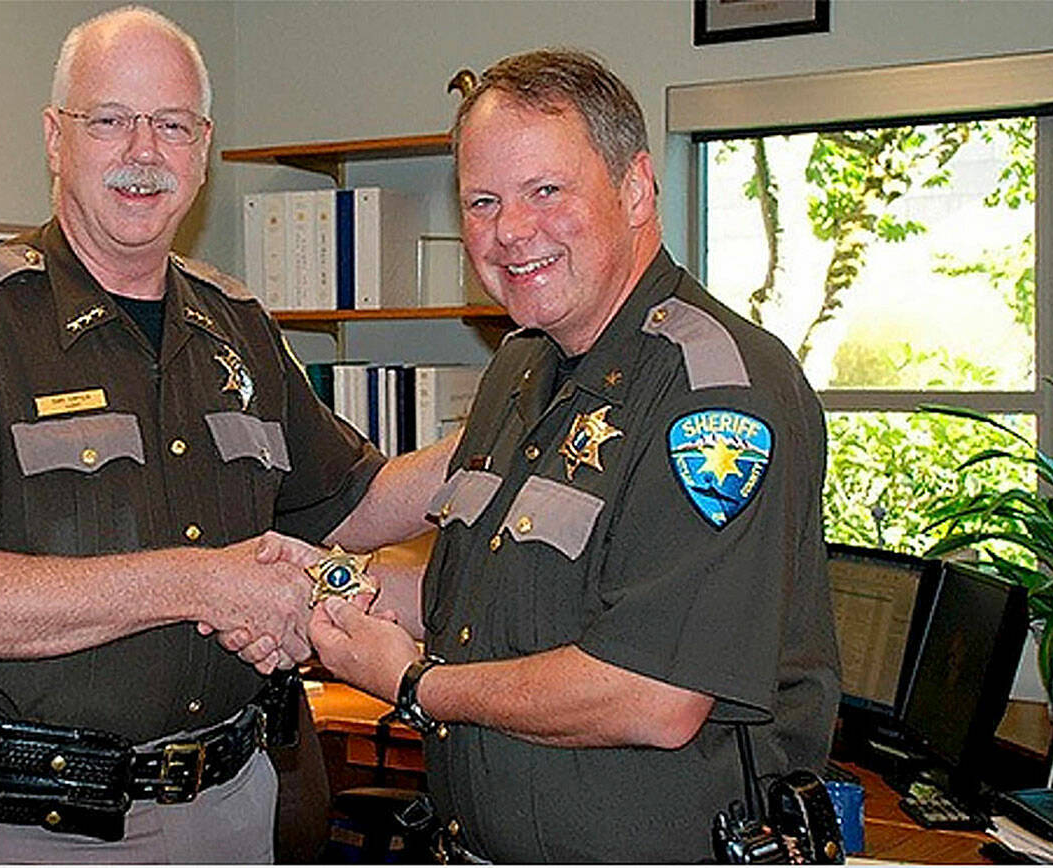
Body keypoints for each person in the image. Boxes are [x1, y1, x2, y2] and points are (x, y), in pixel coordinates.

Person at [0, 6, 443, 863]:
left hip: (235, 804)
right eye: (109, 120)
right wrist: (201, 583)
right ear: (55, 138)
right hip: (44, 827)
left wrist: (498, 436)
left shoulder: (237, 323)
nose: (144, 151)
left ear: (203, 148)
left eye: (173, 125)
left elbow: (351, 500)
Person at [304, 49, 841, 862]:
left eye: (546, 191)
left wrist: (413, 683)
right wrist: (335, 589)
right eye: (482, 202)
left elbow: (653, 695)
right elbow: (490, 598)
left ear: (636, 189)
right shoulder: (523, 365)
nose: (510, 231)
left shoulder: (715, 396)